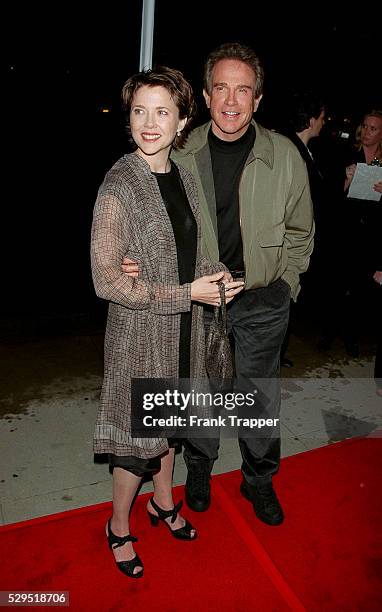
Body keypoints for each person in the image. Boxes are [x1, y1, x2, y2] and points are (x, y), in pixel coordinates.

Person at [124, 43, 314, 526]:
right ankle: (200, 469)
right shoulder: (182, 151)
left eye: (243, 90)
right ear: (207, 96)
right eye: (222, 88)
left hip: (262, 299)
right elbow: (143, 207)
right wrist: (129, 256)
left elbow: (301, 230)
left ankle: (258, 480)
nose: (232, 100)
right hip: (202, 298)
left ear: (258, 99)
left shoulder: (284, 154)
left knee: (257, 393)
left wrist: (286, 284)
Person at [90, 66, 244, 578]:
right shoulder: (119, 183)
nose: (149, 123)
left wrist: (213, 275)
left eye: (162, 112)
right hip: (140, 337)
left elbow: (192, 249)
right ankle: (117, 527)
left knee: (170, 430)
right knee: (137, 447)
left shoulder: (182, 174)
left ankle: (162, 503)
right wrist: (185, 292)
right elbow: (107, 281)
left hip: (183, 332)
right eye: (139, 111)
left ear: (182, 121)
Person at [279, 92, 326, 366]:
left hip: (301, 238)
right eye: (321, 118)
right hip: (288, 240)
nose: (324, 122)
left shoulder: (307, 150)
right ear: (311, 120)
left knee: (290, 301)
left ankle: (279, 350)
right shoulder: (290, 149)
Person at [339, 110, 382, 356]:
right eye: (365, 126)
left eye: (373, 128)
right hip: (346, 231)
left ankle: (352, 337)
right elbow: (329, 195)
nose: (367, 132)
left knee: (360, 290)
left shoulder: (381, 160)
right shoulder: (347, 152)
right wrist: (346, 181)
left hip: (371, 235)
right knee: (338, 284)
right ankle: (328, 333)